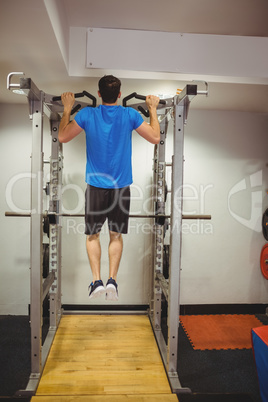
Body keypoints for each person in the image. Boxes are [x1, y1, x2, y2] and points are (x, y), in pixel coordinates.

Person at [58, 75, 160, 301]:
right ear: (120, 95)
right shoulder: (130, 115)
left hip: (95, 187)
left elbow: (63, 136)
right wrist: (152, 109)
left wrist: (67, 109)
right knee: (116, 235)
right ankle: (112, 281)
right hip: (121, 188)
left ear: (100, 93)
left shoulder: (87, 114)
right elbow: (155, 137)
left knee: (92, 236)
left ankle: (96, 282)